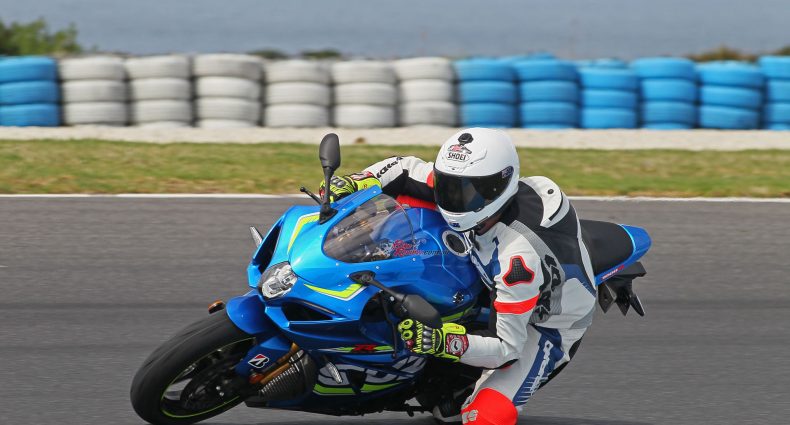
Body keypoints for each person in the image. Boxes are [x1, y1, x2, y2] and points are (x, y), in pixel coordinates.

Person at [320, 128, 597, 425]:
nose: (452, 198)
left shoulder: (518, 261)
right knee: (400, 201)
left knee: (483, 417)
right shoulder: (474, 193)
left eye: (465, 191)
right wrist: (356, 182)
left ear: (498, 187)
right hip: (487, 265)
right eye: (447, 185)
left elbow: (507, 348)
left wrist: (442, 342)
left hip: (542, 325)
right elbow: (404, 168)